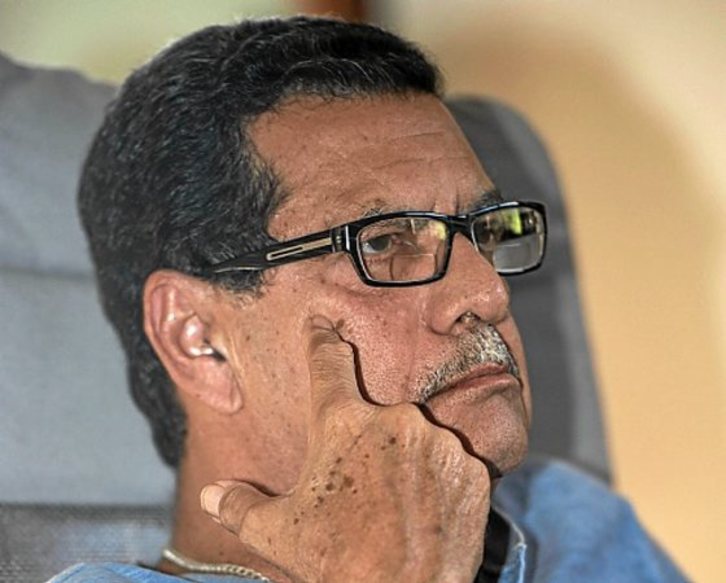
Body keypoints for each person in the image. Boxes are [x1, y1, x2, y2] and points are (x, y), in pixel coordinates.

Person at [53, 16, 686, 583]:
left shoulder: (574, 525)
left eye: (485, 230)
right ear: (198, 338)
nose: (488, 292)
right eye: (383, 242)